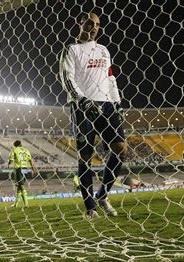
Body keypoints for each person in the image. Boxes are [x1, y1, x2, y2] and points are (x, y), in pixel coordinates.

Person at [60, 12, 127, 219]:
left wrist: (117, 102)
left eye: (97, 24)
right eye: (90, 23)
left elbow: (110, 77)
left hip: (107, 105)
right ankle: (90, 208)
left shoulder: (103, 50)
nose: (94, 27)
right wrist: (82, 100)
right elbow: (67, 79)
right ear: (80, 24)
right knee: (85, 157)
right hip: (83, 107)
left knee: (120, 149)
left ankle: (103, 195)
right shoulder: (71, 49)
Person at [8, 140, 36, 208]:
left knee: (21, 186)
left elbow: (11, 160)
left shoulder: (14, 150)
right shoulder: (26, 150)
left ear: (15, 145)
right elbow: (30, 160)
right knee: (19, 187)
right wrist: (33, 169)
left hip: (18, 169)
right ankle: (15, 204)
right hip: (25, 169)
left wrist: (9, 163)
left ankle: (26, 204)